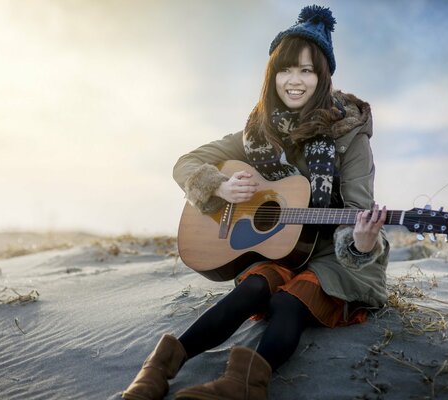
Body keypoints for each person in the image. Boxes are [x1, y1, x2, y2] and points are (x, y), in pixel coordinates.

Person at [122, 5, 389, 400]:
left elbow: (356, 210)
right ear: (272, 75)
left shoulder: (349, 137)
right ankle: (160, 367)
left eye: (307, 71)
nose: (294, 81)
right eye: (285, 69)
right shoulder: (257, 132)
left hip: (334, 256)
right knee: (250, 290)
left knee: (288, 300)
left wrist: (362, 243)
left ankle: (243, 386)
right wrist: (221, 186)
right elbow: (187, 163)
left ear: (323, 77)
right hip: (285, 250)